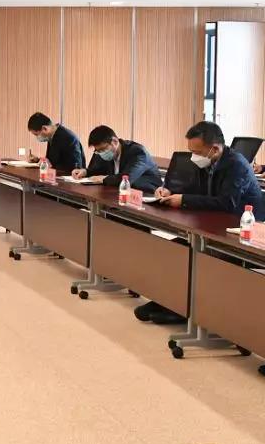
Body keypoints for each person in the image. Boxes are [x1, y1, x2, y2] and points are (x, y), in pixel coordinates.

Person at [140, 121, 265, 324]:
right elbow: (194, 188)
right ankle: (168, 301)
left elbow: (226, 203)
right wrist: (170, 191)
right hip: (216, 225)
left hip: (240, 233)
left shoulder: (236, 165)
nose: (193, 157)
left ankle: (184, 309)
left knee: (199, 256)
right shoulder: (208, 161)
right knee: (176, 249)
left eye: (197, 152)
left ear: (214, 149)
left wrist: (184, 200)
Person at [71, 125, 162, 192]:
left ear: (115, 141)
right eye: (98, 150)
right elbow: (98, 170)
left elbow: (127, 178)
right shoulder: (102, 153)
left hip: (147, 193)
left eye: (103, 149)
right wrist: (85, 172)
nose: (101, 153)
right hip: (119, 192)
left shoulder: (137, 152)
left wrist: (103, 179)